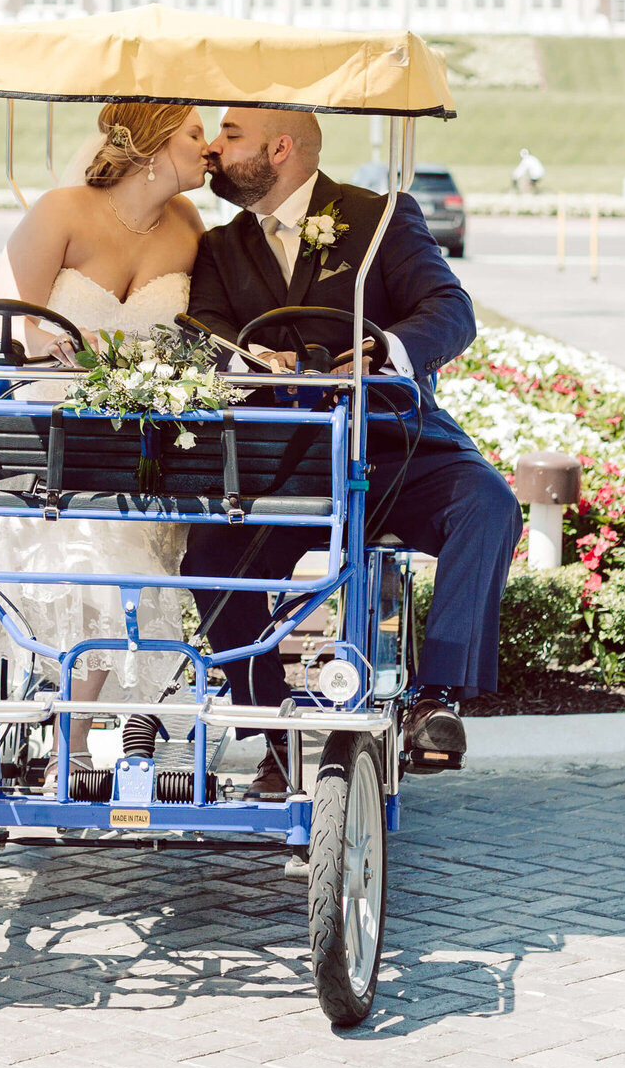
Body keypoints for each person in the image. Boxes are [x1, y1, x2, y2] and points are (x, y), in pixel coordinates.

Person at [180, 105, 522, 797]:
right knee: (210, 555)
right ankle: (271, 732)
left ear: (279, 149)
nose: (214, 150)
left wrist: (386, 353)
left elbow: (451, 312)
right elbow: (203, 331)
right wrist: (247, 359)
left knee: (488, 504)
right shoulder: (219, 249)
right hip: (280, 465)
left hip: (392, 447)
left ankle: (436, 700)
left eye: (230, 135)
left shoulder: (379, 217)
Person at [0, 99, 209, 788]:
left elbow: (197, 329)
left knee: (119, 550)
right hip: (44, 422)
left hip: (133, 434)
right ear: (155, 147)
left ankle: (71, 741)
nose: (209, 147)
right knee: (19, 539)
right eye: (196, 133)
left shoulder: (189, 226)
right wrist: (44, 342)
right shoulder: (61, 212)